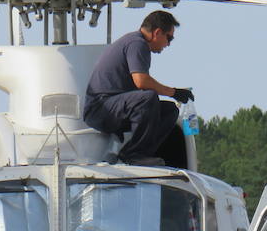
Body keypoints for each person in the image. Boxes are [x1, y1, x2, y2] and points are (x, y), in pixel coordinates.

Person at [83, 10, 193, 166]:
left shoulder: (136, 43)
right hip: (100, 109)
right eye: (169, 38)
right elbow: (141, 81)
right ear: (157, 32)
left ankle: (143, 154)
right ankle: (133, 154)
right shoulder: (137, 43)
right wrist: (174, 92)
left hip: (113, 107)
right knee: (148, 98)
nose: (168, 44)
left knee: (170, 111)